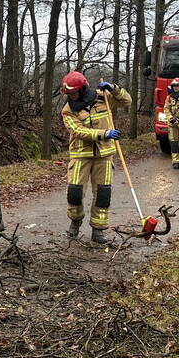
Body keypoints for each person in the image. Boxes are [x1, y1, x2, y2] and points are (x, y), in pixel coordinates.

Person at [59, 71, 132, 245]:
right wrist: (104, 133)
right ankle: (75, 222)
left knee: (102, 194)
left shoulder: (103, 98)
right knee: (75, 193)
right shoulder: (68, 111)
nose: (71, 97)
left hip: (104, 155)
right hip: (80, 155)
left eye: (73, 93)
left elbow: (126, 100)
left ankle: (98, 230)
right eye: (68, 94)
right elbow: (78, 131)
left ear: (83, 89)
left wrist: (114, 89)